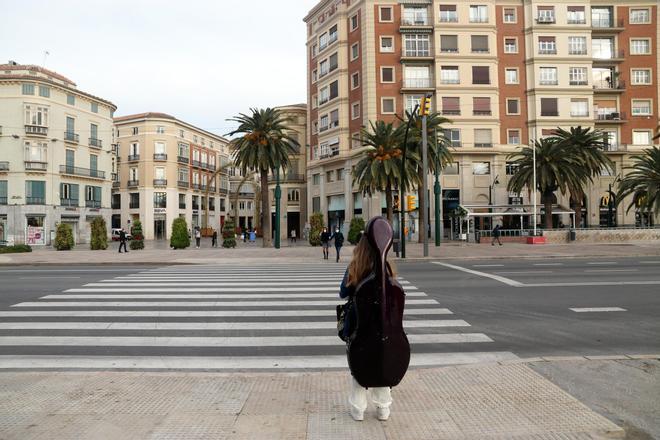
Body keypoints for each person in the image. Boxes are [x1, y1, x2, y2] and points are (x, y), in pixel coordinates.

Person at [339, 234, 395, 421]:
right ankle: (383, 409)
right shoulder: (386, 267)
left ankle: (358, 410)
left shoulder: (355, 266)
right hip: (382, 325)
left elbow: (342, 293)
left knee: (358, 365)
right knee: (382, 361)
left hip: (358, 325)